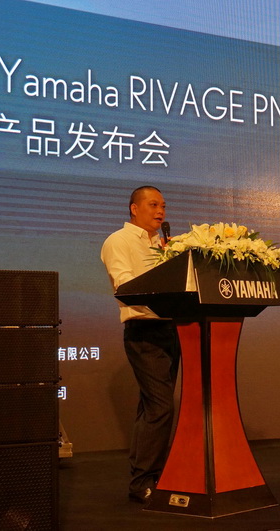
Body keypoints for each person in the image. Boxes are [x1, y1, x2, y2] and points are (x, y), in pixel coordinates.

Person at [100, 185, 180, 503]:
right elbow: (124, 284)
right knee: (160, 407)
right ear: (134, 209)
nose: (160, 211)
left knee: (151, 408)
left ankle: (149, 475)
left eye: (163, 206)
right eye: (153, 205)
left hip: (171, 328)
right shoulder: (118, 241)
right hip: (144, 331)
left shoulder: (163, 244)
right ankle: (143, 481)